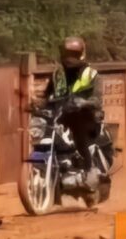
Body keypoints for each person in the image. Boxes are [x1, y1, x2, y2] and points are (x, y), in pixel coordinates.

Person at [44, 38, 105, 167]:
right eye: (66, 54)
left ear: (81, 55)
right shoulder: (57, 75)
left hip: (85, 117)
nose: (69, 58)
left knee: (80, 134)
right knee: (44, 132)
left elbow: (97, 100)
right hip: (61, 117)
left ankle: (89, 169)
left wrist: (84, 102)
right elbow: (46, 97)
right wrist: (35, 103)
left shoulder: (92, 75)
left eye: (73, 55)